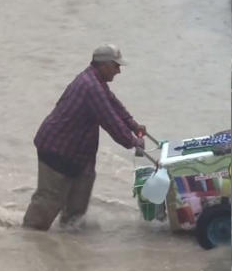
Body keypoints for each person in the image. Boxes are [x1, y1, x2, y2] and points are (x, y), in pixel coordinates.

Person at [23, 44, 146, 230]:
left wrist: (134, 125)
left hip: (78, 154)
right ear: (104, 65)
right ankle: (30, 239)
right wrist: (132, 142)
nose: (119, 71)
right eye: (116, 66)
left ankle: (70, 238)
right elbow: (110, 121)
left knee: (79, 202)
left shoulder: (97, 82)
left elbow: (114, 105)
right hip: (57, 150)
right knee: (47, 203)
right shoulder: (90, 87)